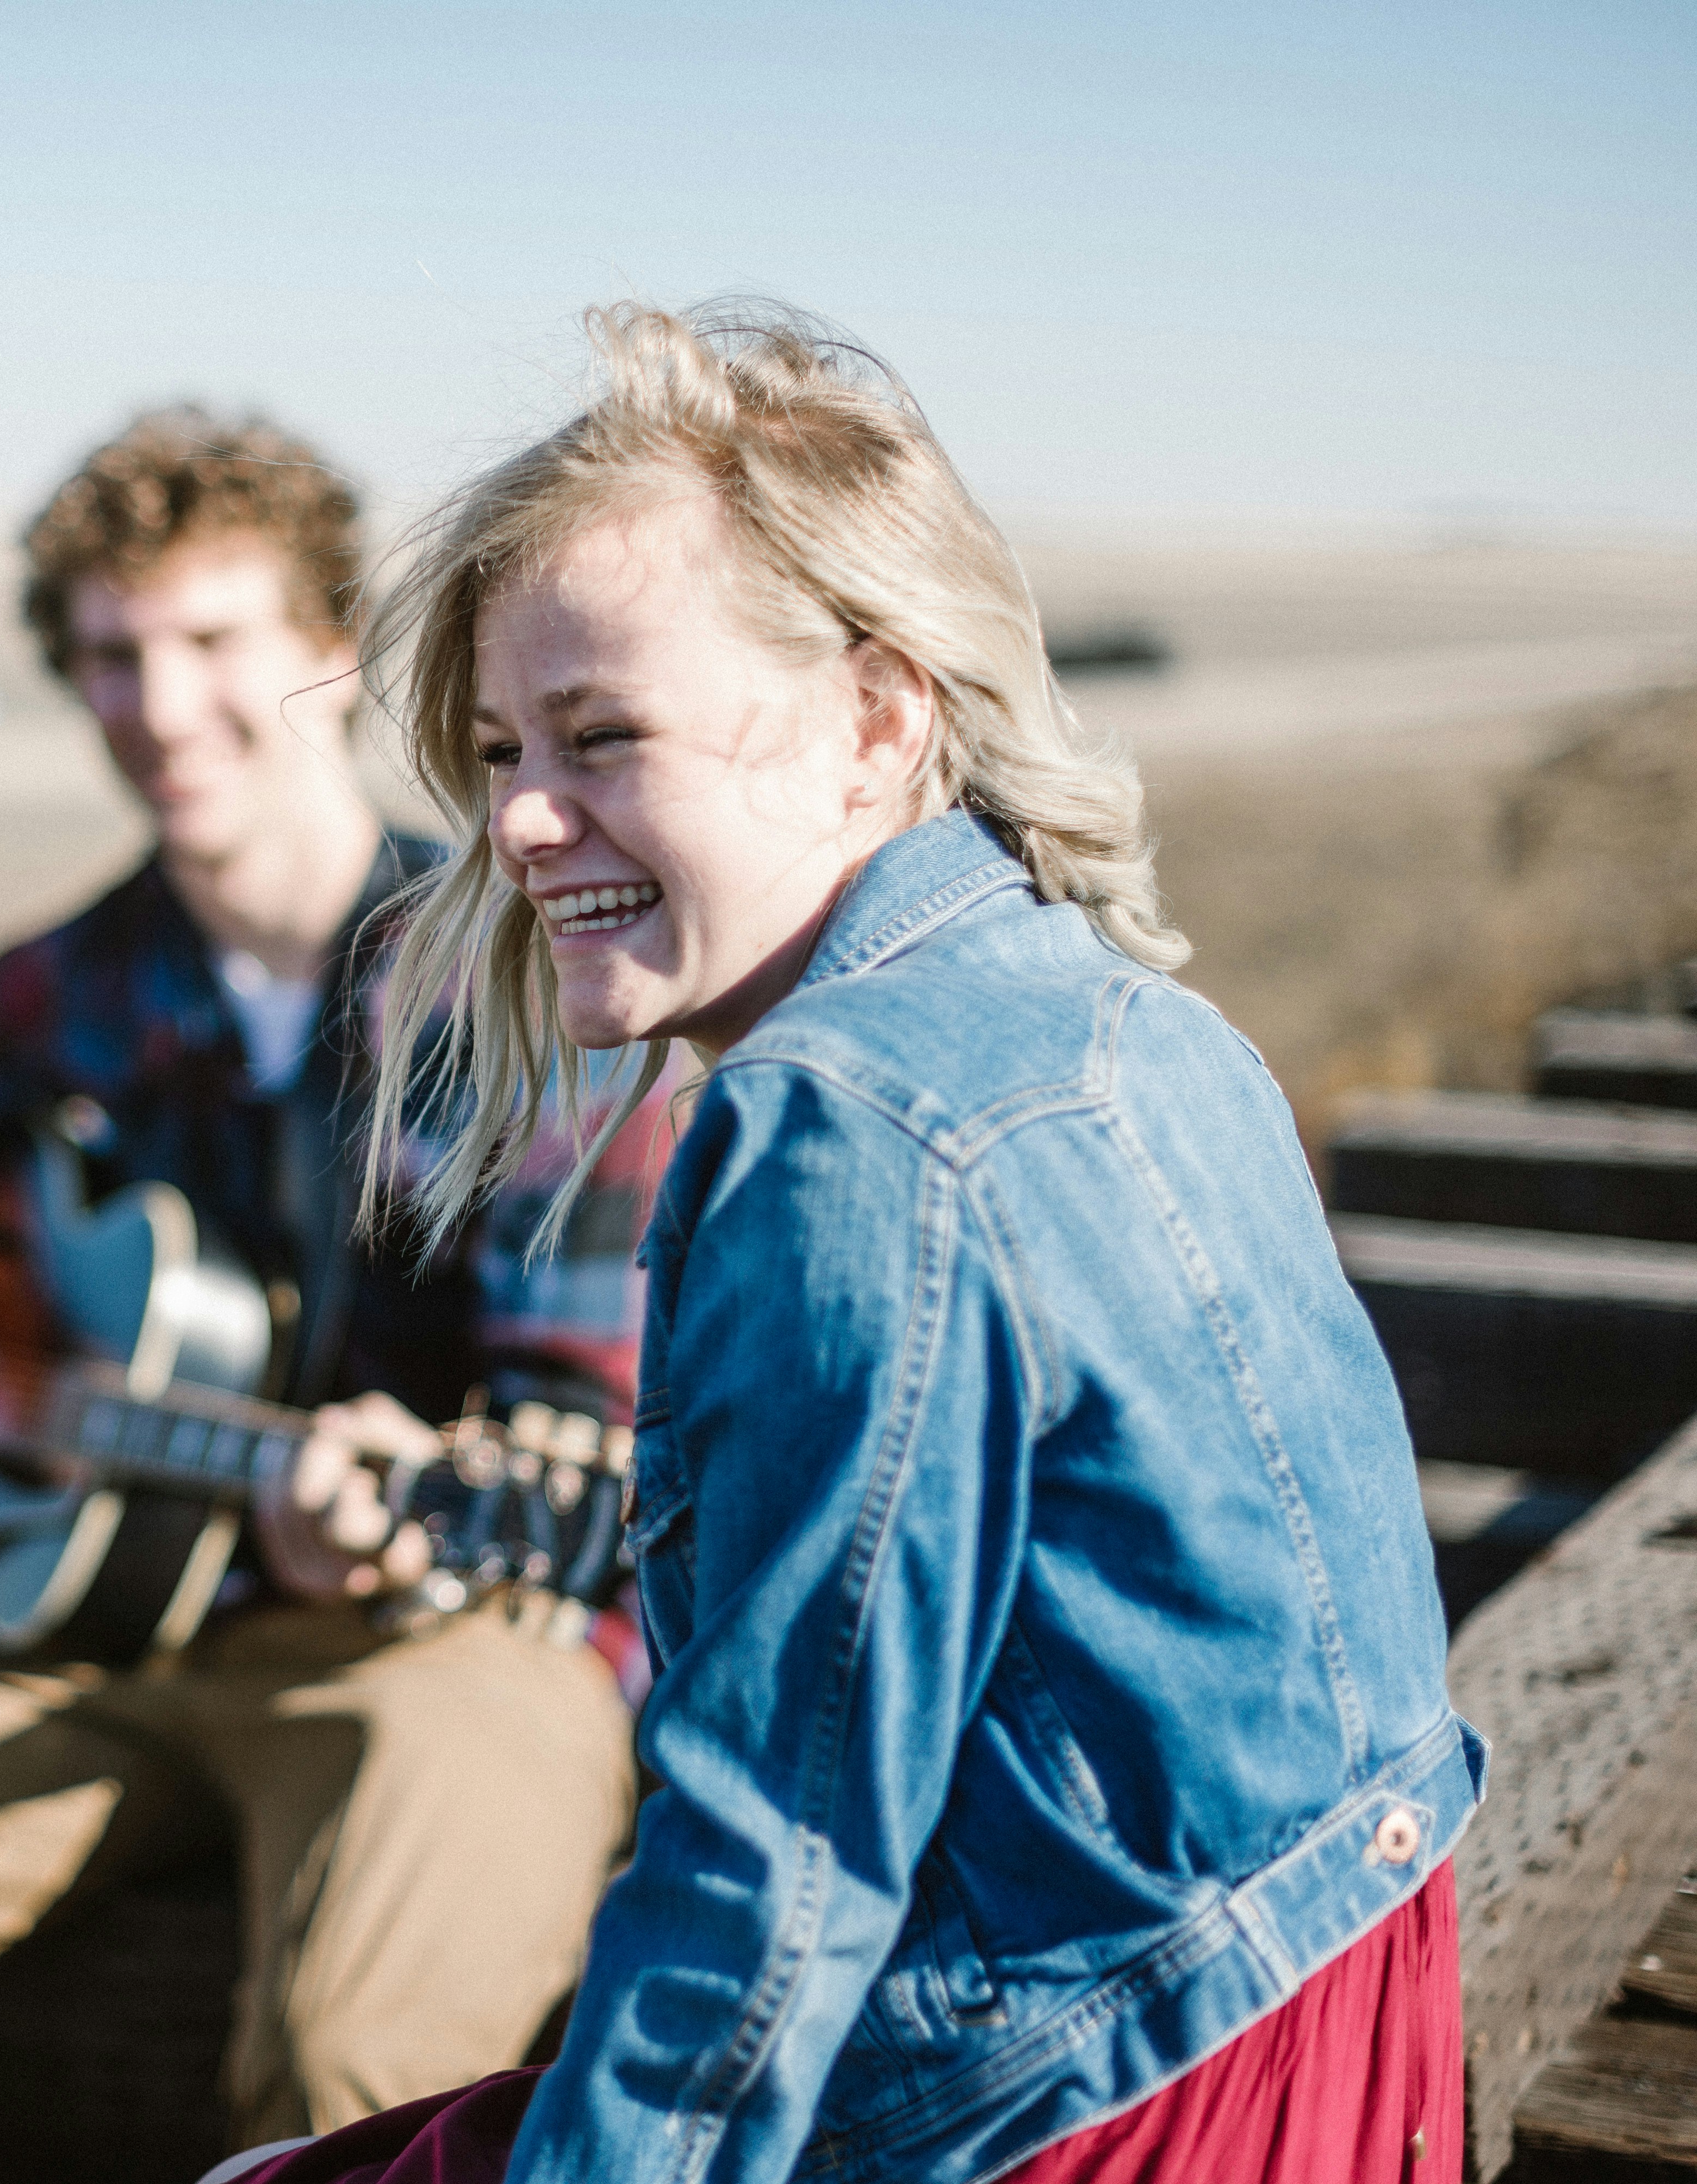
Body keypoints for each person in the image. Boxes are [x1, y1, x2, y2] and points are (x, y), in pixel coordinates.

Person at [214, 302, 1478, 2184]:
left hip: (1104, 2094)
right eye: (496, 751)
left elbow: (776, 1867)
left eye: (604, 734)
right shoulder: (1134, 1014)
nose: (525, 823)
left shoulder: (842, 1123)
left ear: (878, 724)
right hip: (1337, 2023)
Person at [0, 408, 682, 2184]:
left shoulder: (519, 982)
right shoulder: (80, 976)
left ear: (335, 653)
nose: (158, 703)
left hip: (439, 1627)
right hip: (97, 1616)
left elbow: (569, 1434)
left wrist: (394, 1509)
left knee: (367, 2080)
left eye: (210, 643)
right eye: (111, 656)